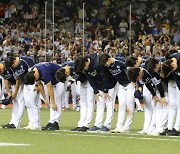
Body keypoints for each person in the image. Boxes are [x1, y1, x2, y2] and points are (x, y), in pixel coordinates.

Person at [75, 53, 117, 133]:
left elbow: (105, 77)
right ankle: (98, 124)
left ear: (86, 62)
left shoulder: (98, 63)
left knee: (109, 104)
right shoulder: (86, 68)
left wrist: (105, 90)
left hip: (110, 84)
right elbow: (90, 79)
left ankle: (107, 125)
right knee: (100, 105)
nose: (84, 70)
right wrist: (96, 91)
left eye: (84, 67)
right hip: (99, 86)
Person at [99, 53, 135, 133]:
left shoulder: (121, 62)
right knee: (121, 106)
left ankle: (126, 127)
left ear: (108, 59)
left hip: (130, 85)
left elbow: (133, 70)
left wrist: (135, 81)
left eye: (105, 63)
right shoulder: (107, 67)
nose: (105, 65)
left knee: (130, 106)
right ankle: (119, 126)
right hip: (121, 86)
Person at [56, 61, 95, 132]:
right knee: (82, 104)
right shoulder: (64, 68)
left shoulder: (75, 66)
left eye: (67, 76)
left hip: (90, 82)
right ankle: (80, 124)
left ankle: (86, 125)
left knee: (90, 103)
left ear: (66, 73)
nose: (68, 77)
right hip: (82, 83)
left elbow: (88, 72)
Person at [25, 62, 64, 130]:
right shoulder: (34, 71)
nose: (36, 81)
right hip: (53, 80)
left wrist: (53, 103)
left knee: (56, 100)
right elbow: (40, 84)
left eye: (35, 79)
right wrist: (45, 99)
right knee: (52, 102)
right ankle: (51, 122)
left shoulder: (44, 72)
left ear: (35, 75)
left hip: (60, 79)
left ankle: (55, 122)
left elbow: (50, 88)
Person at [5, 55, 40, 130]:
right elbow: (18, 78)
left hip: (33, 83)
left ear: (14, 61)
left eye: (12, 65)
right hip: (25, 85)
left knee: (32, 103)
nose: (13, 67)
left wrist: (37, 84)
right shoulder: (14, 66)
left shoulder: (25, 61)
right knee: (27, 103)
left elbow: (36, 72)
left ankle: (36, 124)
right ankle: (31, 123)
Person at [160, 52, 180, 136]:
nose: (173, 71)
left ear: (174, 64)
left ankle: (177, 128)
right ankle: (170, 127)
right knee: (172, 105)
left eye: (172, 70)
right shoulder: (171, 61)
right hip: (176, 82)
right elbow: (177, 79)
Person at [0, 62, 24, 129]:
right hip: (14, 85)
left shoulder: (9, 66)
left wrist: (15, 92)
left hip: (21, 85)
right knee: (15, 103)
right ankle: (12, 122)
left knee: (20, 103)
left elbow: (18, 79)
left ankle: (17, 123)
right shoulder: (2, 71)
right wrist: (8, 93)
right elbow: (5, 79)